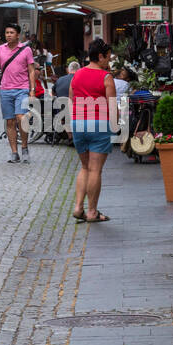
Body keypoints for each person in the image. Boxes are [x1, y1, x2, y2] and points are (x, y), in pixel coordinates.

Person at [70, 38, 117, 223]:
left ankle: (78, 207)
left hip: (78, 123)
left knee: (84, 167)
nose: (109, 61)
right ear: (100, 56)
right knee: (95, 169)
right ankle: (91, 212)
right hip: (99, 123)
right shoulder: (106, 77)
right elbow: (112, 106)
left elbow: (72, 99)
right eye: (107, 57)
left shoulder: (77, 74)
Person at [0, 22, 36, 164]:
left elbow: (32, 70)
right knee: (9, 121)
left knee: (21, 117)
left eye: (11, 33)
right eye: (7, 33)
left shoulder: (26, 50)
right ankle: (14, 152)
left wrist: (32, 90)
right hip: (5, 90)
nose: (8, 35)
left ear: (18, 35)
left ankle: (25, 147)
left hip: (22, 89)